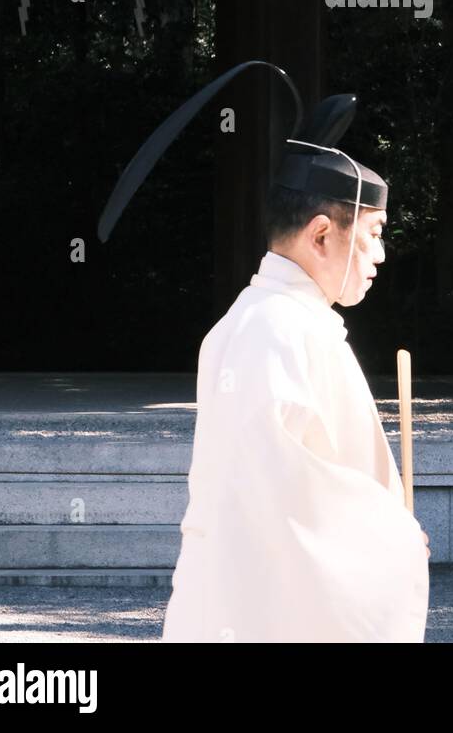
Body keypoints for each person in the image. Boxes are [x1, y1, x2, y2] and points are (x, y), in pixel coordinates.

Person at [96, 64, 429, 643]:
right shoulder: (276, 329)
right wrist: (392, 536)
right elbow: (276, 494)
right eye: (374, 233)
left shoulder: (268, 322)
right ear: (322, 234)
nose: (381, 255)